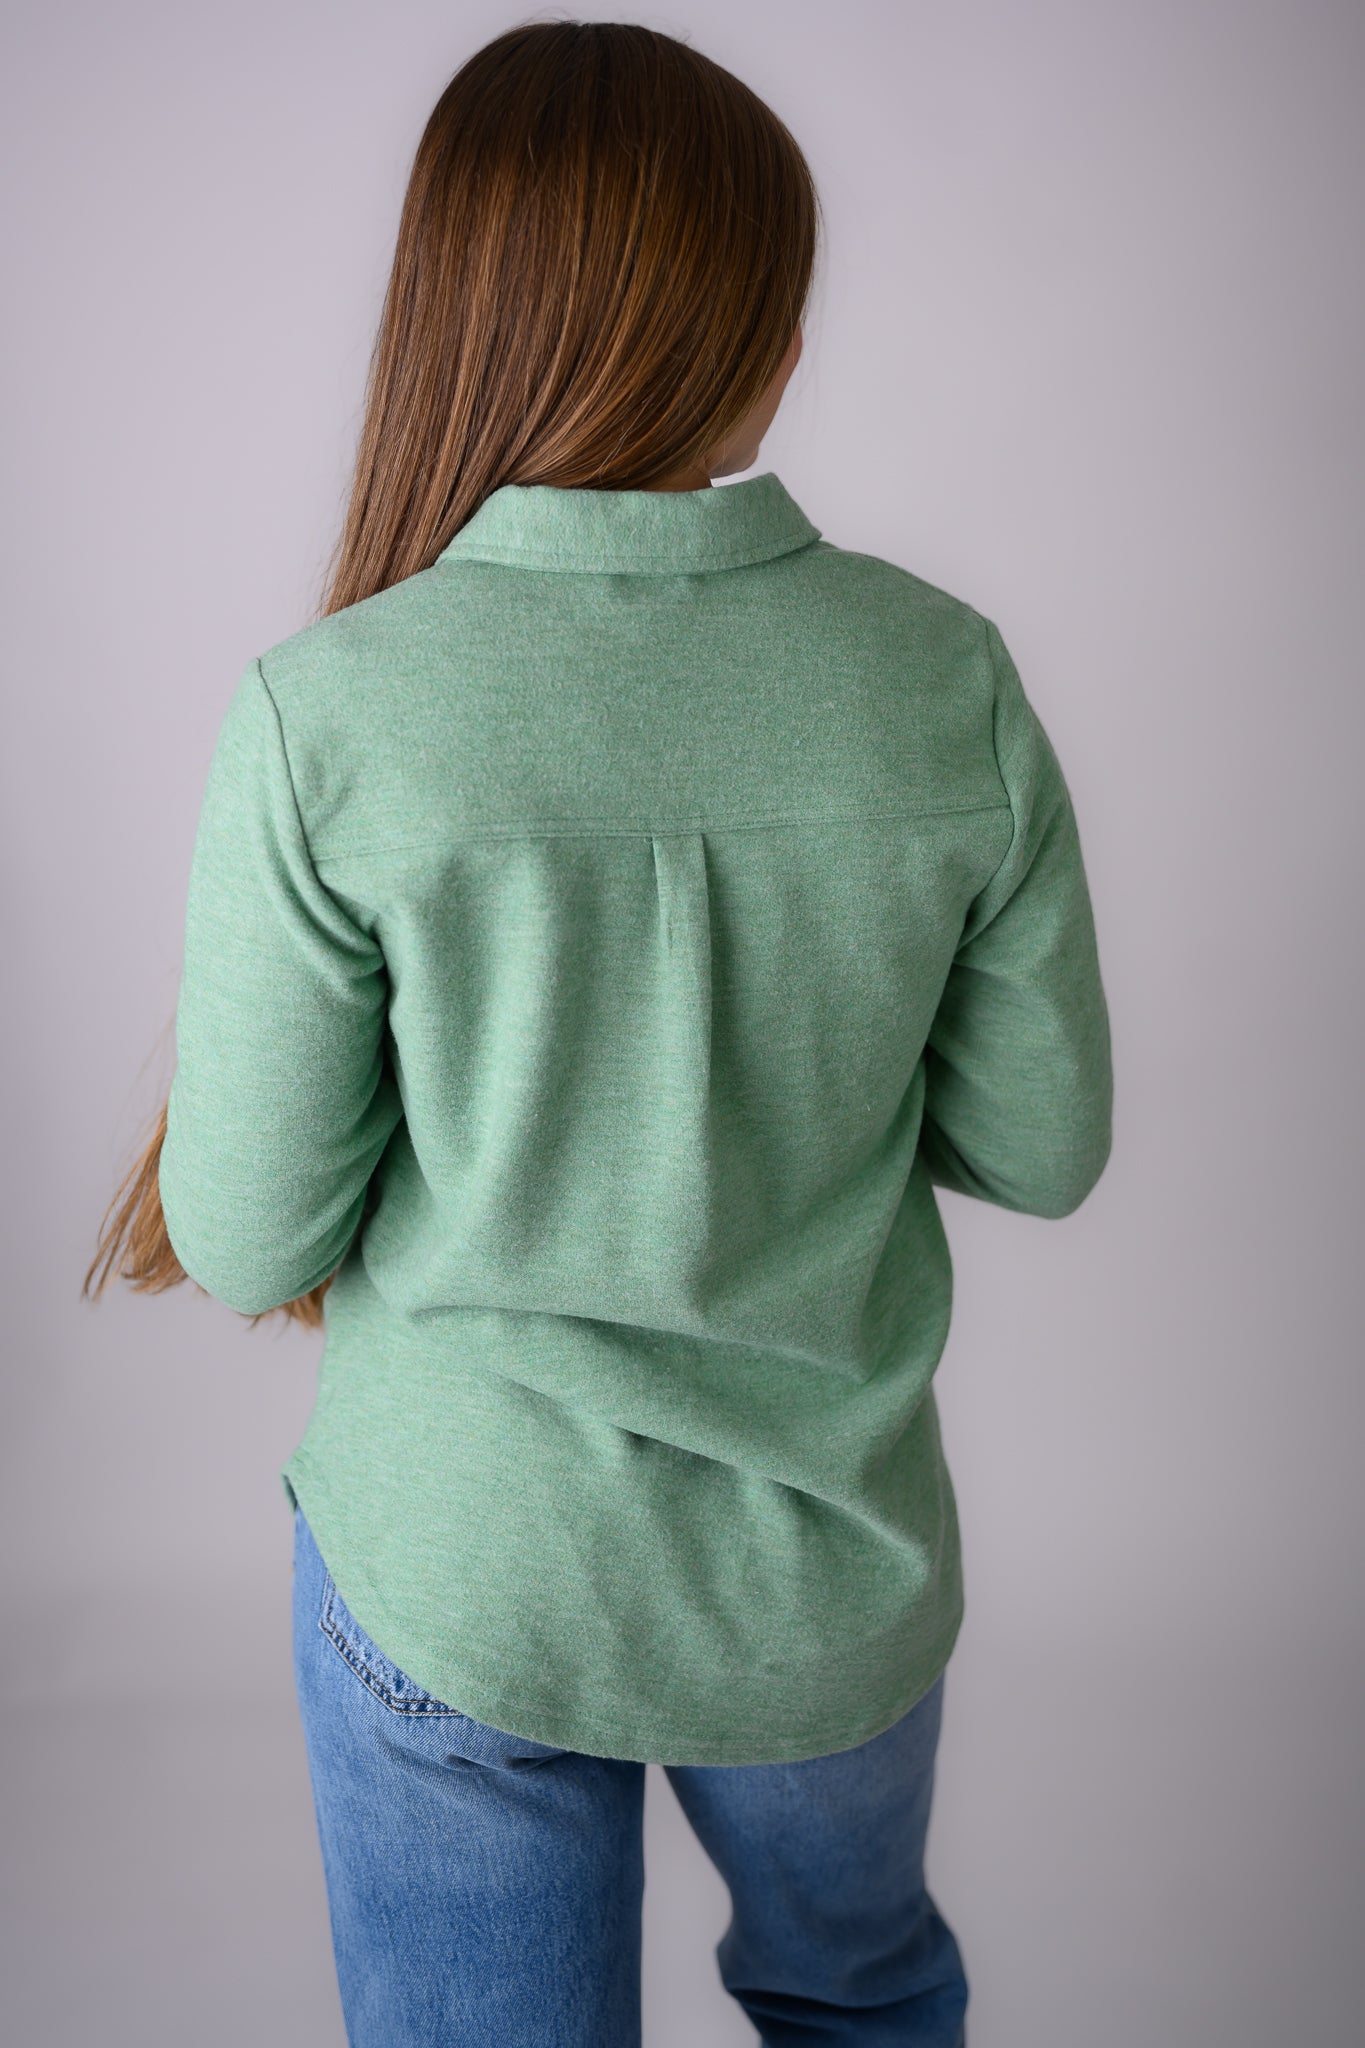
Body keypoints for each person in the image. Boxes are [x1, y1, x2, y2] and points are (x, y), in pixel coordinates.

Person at [85, 19, 1113, 2046]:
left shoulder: (327, 712)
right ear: (766, 341)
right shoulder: (944, 679)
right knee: (863, 2000)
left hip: (464, 1567)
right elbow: (1042, 1144)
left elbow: (253, 1234)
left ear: (453, 318)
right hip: (824, 1572)